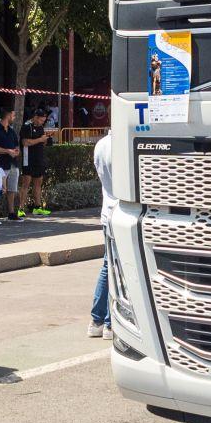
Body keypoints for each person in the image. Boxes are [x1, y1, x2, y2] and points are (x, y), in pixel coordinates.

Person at [87, 132, 116, 339]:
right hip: (121, 213)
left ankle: (98, 320)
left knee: (108, 266)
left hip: (107, 211)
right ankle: (107, 322)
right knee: (115, 269)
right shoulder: (122, 143)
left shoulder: (101, 144)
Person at [0, 107, 23, 221]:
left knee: (12, 189)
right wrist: (7, 151)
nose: (14, 117)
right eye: (13, 115)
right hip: (0, 165)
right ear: (8, 115)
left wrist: (16, 151)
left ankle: (11, 212)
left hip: (13, 164)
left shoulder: (12, 131)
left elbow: (17, 146)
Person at [19, 107, 55, 216]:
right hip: (28, 158)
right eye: (41, 120)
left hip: (39, 158)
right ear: (35, 117)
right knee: (26, 183)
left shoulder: (40, 127)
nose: (42, 122)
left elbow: (41, 142)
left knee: (38, 183)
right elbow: (25, 142)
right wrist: (40, 139)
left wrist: (46, 139)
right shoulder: (26, 126)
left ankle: (37, 207)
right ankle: (20, 209)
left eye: (44, 120)